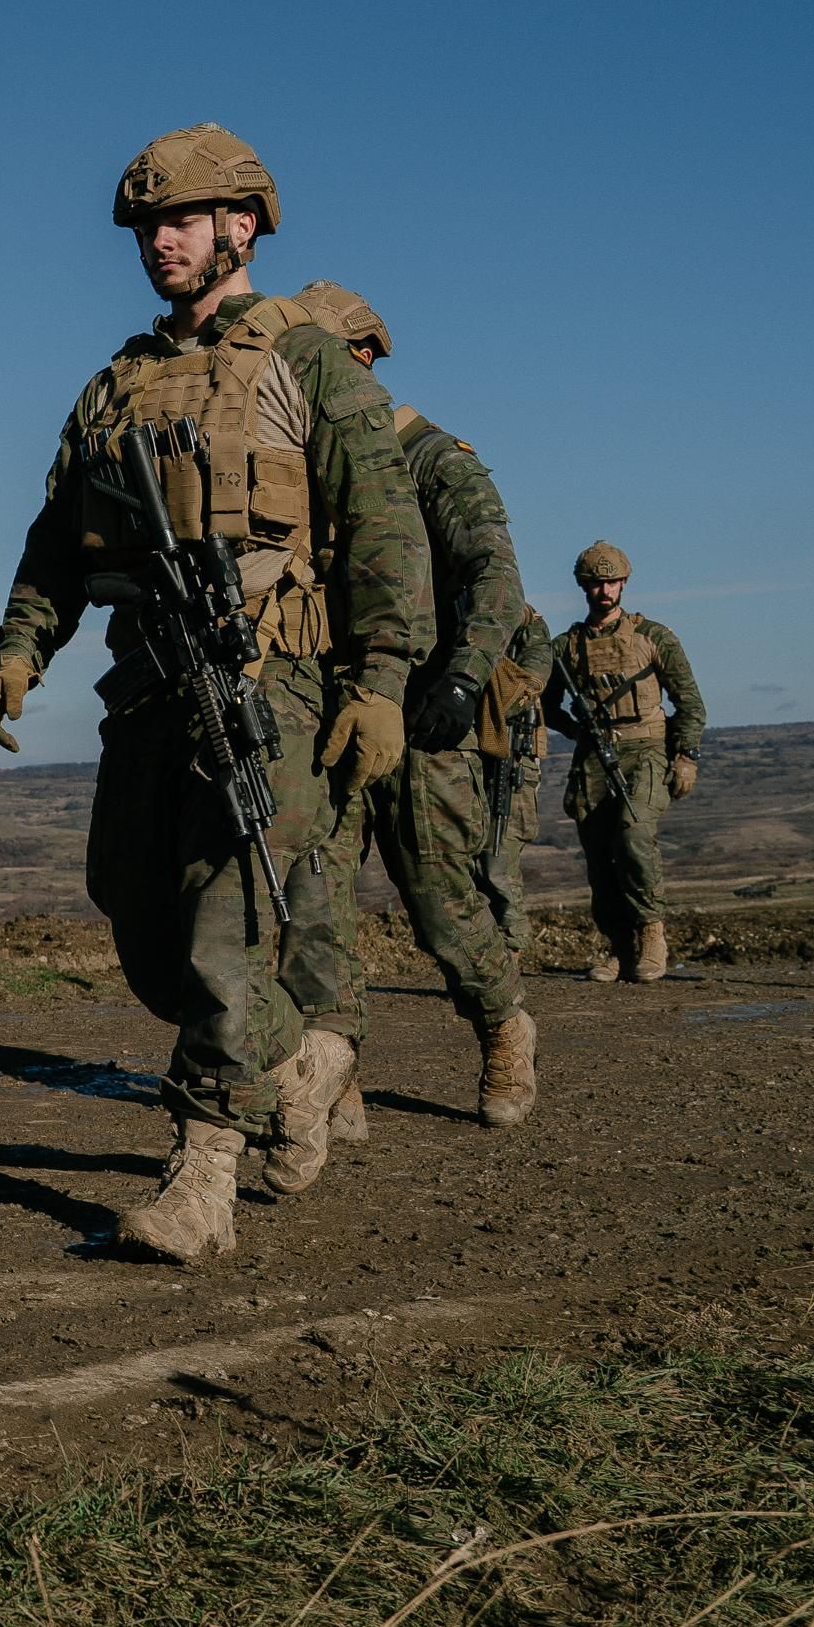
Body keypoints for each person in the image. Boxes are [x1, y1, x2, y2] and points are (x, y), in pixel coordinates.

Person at [0, 124, 427, 1263]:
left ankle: (202, 1176)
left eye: (180, 219)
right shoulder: (116, 381)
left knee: (229, 929)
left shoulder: (309, 364)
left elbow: (384, 529)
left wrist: (378, 681)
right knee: (138, 912)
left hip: (267, 676)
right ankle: (302, 1063)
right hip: (146, 681)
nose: (159, 241)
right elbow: (56, 536)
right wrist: (24, 646)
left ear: (242, 226)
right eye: (146, 225)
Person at [274, 292, 538, 1130]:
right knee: (316, 898)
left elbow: (497, 578)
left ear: (357, 359)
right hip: (328, 704)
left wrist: (461, 679)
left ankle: (502, 1025)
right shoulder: (310, 467)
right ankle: (335, 1066)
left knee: (439, 897)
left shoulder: (434, 462)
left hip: (423, 713)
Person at [543, 542, 704, 981]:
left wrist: (686, 755)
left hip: (647, 749)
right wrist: (575, 730)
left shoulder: (654, 638)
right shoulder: (566, 647)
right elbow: (543, 702)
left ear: (624, 583)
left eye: (611, 582)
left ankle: (653, 935)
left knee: (634, 837)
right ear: (584, 587)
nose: (604, 591)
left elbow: (689, 702)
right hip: (594, 756)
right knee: (599, 854)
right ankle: (620, 947)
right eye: (595, 584)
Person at [480, 607, 554, 947]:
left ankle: (512, 946)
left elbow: (525, 686)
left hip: (511, 759)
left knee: (499, 863)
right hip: (467, 757)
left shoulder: (527, 623)